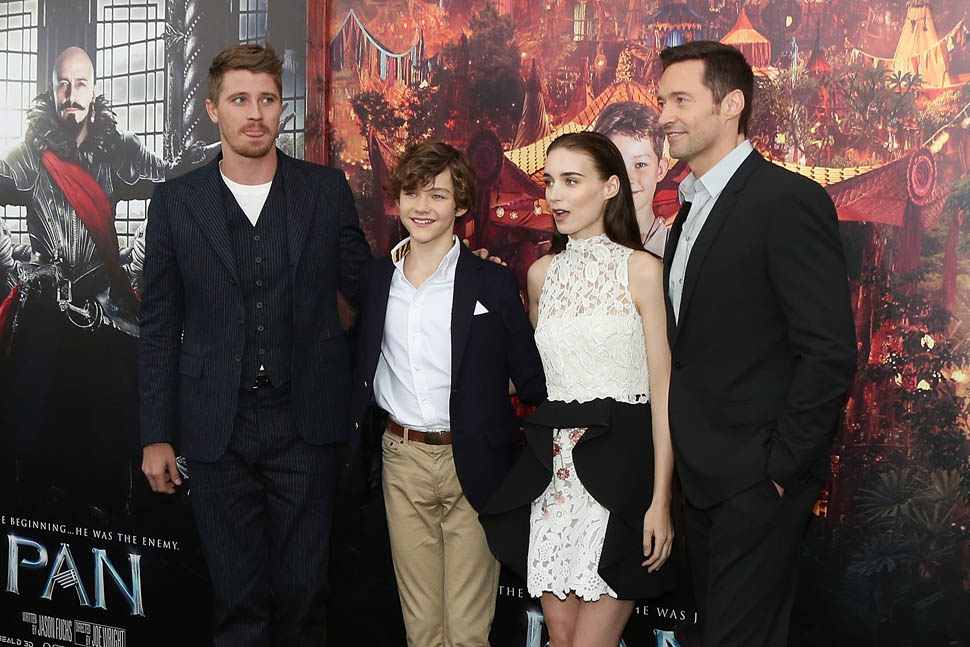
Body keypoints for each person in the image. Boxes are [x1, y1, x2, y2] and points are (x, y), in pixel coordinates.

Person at [138, 43, 371, 646]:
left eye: (267, 99)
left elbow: (367, 288)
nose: (255, 113)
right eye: (240, 99)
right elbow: (159, 324)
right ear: (212, 108)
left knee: (304, 598)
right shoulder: (177, 202)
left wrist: (448, 267)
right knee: (236, 602)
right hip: (216, 428)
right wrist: (155, 433)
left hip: (306, 423)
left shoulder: (325, 191)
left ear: (282, 108)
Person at [657, 41, 857, 646]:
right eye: (663, 100)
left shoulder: (786, 200)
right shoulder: (689, 210)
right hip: (701, 484)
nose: (665, 115)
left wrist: (776, 472)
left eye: (681, 100)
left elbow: (828, 350)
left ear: (731, 105)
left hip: (755, 482)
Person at [481, 131, 677, 646]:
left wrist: (661, 499)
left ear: (611, 186)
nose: (555, 196)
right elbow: (532, 376)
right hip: (554, 480)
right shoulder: (541, 275)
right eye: (550, 182)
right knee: (562, 640)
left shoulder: (644, 271)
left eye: (571, 181)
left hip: (622, 477)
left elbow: (664, 394)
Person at [351, 141, 546, 646]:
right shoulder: (375, 280)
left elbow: (529, 375)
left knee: (467, 630)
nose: (422, 207)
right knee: (420, 628)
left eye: (437, 195)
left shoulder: (492, 281)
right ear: (397, 200)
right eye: (412, 193)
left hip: (475, 459)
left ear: (460, 205)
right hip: (402, 458)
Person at [0, 46, 201, 514]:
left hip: (105, 313)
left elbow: (173, 180)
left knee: (112, 435)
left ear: (94, 88)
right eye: (63, 84)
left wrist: (136, 260)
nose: (71, 94)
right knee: (31, 432)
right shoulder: (29, 156)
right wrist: (15, 263)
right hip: (44, 313)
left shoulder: (120, 149)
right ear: (53, 90)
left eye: (80, 84)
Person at [592, 101, 669, 257]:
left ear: (660, 170)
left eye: (640, 164)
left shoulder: (677, 248)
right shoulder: (584, 247)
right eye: (616, 164)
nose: (628, 179)